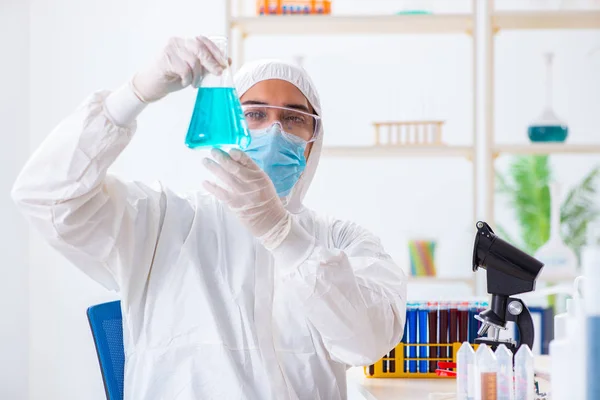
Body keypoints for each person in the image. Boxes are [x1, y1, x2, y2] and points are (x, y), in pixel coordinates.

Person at [12, 36, 407, 399]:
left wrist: (284, 235)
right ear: (229, 125)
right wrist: (130, 97)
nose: (273, 131)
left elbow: (366, 342)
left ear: (311, 144)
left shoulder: (342, 242)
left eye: (293, 119)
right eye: (254, 114)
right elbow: (45, 195)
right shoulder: (162, 223)